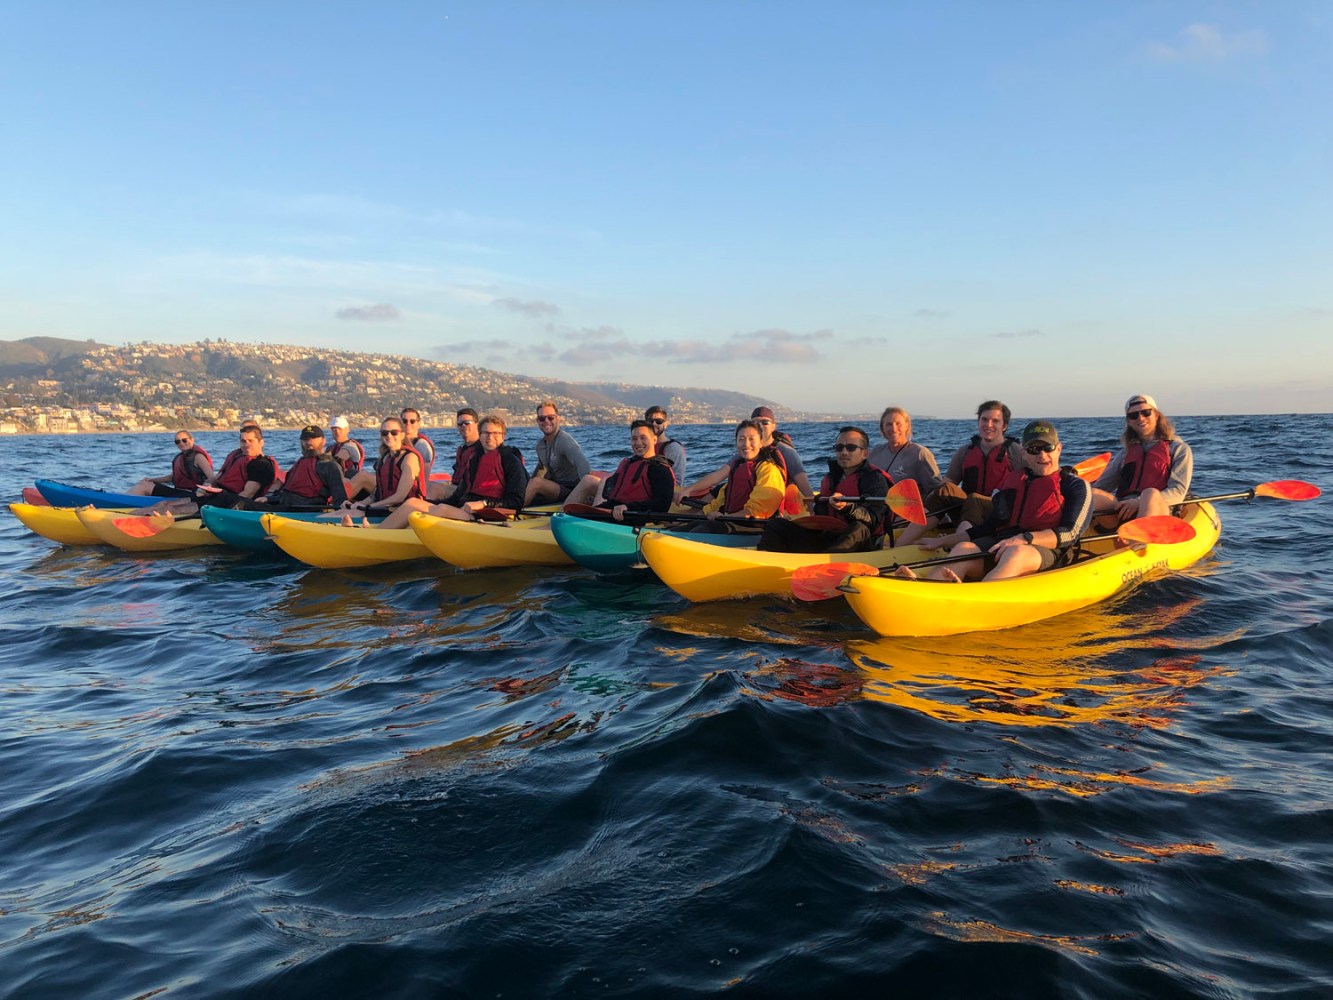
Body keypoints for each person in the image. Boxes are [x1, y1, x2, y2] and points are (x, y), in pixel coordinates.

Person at [896, 420, 1093, 583]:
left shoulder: (1074, 486)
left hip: (1050, 551)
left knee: (1016, 553)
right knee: (964, 549)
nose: (1042, 455)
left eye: (1047, 448)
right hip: (1003, 544)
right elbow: (985, 529)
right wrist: (941, 541)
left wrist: (1025, 539)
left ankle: (975, 598)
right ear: (1024, 453)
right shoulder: (1014, 483)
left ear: (1058, 449)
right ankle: (931, 589)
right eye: (1034, 449)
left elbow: (1070, 533)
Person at [898, 400, 1021, 545]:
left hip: (999, 515)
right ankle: (900, 545)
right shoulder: (965, 452)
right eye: (984, 419)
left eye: (995, 421)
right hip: (968, 513)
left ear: (1004, 426)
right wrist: (936, 512)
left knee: (975, 499)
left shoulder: (1016, 452)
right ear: (978, 421)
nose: (988, 425)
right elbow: (948, 484)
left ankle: (955, 547)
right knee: (945, 490)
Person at [373, 415, 528, 527]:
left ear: (503, 436)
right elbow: (456, 497)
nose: (490, 437)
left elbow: (516, 501)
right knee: (414, 502)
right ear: (480, 435)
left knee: (441, 509)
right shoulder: (474, 460)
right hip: (466, 512)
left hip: (490, 516)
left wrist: (483, 503)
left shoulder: (511, 461)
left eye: (495, 433)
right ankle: (383, 534)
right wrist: (427, 503)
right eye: (486, 433)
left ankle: (384, 538)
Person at [759, 426, 889, 552]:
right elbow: (822, 516)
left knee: (858, 528)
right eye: (839, 448)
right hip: (830, 537)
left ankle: (828, 563)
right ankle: (768, 557)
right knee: (776, 524)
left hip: (863, 541)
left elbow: (873, 521)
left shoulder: (875, 479)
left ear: (865, 453)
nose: (844, 452)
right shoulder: (831, 478)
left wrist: (848, 507)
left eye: (851, 448)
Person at [1093, 394, 1194, 522]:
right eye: (1133, 415)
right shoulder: (1126, 453)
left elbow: (1178, 492)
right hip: (1125, 507)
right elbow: (1102, 486)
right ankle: (1067, 536)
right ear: (1129, 422)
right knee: (1091, 493)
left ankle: (1139, 541)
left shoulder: (1179, 449)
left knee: (1149, 494)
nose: (1140, 418)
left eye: (1146, 413)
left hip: (1158, 506)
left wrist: (1138, 502)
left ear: (1157, 415)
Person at [679, 405, 810, 501]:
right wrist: (689, 489)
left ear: (773, 426)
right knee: (723, 488)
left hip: (775, 500)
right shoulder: (747, 451)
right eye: (756, 422)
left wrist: (813, 512)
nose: (760, 425)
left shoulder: (786, 452)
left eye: (765, 422)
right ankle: (692, 515)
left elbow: (804, 486)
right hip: (749, 496)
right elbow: (719, 474)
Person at [688, 420, 788, 534]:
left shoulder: (769, 470)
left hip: (754, 527)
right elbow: (719, 502)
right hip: (731, 521)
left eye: (752, 439)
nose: (746, 444)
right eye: (741, 439)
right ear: (736, 443)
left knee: (702, 530)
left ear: (761, 442)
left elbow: (757, 510)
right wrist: (700, 515)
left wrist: (726, 517)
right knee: (689, 527)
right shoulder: (737, 467)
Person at [564, 419, 676, 521]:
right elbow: (616, 498)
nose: (638, 443)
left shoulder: (660, 469)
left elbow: (662, 505)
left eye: (643, 438)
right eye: (634, 438)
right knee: (579, 515)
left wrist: (627, 507)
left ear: (654, 440)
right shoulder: (629, 464)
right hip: (619, 514)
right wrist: (596, 510)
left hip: (639, 519)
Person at [341, 417, 427, 522]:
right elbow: (376, 495)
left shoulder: (409, 458)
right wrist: (358, 504)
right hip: (386, 508)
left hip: (405, 512)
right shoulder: (385, 458)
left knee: (347, 515)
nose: (389, 436)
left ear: (402, 435)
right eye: (384, 433)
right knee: (343, 512)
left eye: (394, 432)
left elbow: (399, 497)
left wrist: (369, 507)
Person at [249, 425, 347, 509]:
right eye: (305, 440)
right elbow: (287, 492)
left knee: (243, 506)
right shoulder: (300, 463)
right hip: (285, 505)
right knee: (244, 504)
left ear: (323, 441)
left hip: (305, 510)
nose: (309, 443)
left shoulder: (329, 465)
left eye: (313, 438)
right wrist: (268, 499)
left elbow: (340, 499)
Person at [867, 406, 942, 499]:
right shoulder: (875, 453)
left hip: (909, 509)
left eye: (898, 424)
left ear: (907, 426)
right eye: (889, 424)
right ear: (882, 428)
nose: (894, 429)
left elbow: (936, 490)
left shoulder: (919, 454)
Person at [524, 400, 591, 505]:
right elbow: (541, 469)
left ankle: (510, 513)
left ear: (558, 419)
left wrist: (586, 492)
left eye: (550, 417)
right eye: (542, 418)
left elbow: (582, 463)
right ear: (537, 421)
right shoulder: (540, 446)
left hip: (572, 489)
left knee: (536, 483)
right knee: (531, 482)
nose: (546, 421)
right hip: (557, 487)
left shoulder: (565, 440)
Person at [126, 430, 214, 497]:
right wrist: (152, 480)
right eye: (178, 442)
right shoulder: (181, 457)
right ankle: (124, 500)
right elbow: (171, 477)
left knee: (144, 487)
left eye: (184, 440)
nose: (181, 443)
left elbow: (211, 477)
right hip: (179, 492)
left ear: (192, 440)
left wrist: (203, 490)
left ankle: (123, 501)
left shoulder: (198, 457)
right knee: (145, 484)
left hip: (191, 495)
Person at [427, 407, 482, 501]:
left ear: (477, 424)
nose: (463, 426)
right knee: (424, 485)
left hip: (469, 493)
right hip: (457, 487)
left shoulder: (482, 449)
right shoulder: (462, 449)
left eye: (467, 423)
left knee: (433, 489)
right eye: (460, 424)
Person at [645, 405, 687, 483]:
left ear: (665, 425)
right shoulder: (642, 447)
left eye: (659, 421)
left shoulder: (673, 448)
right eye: (650, 421)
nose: (654, 424)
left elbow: (677, 481)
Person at [400, 407, 435, 478]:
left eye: (412, 421)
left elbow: (425, 477)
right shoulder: (396, 444)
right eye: (404, 421)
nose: (408, 424)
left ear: (418, 424)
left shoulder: (422, 446)